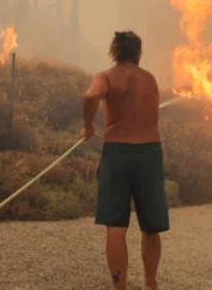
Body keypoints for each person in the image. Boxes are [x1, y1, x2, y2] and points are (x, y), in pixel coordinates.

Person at [81, 31, 169, 290]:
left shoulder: (107, 76)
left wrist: (87, 126)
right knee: (151, 226)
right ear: (138, 52)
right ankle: (150, 284)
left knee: (116, 226)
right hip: (149, 155)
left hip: (118, 153)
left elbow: (89, 97)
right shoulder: (150, 79)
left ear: (114, 51)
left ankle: (121, 288)